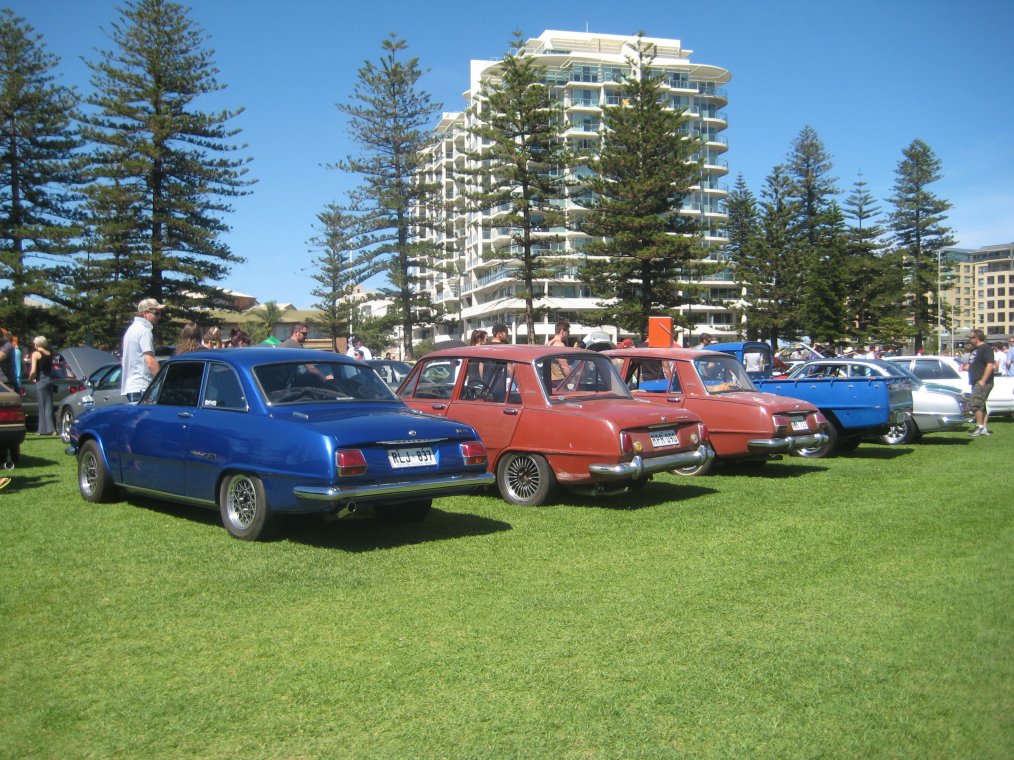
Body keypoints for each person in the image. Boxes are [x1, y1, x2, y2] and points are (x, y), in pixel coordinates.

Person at [121, 298, 165, 402]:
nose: (159, 317)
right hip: (142, 387)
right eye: (157, 313)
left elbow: (123, 361)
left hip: (131, 387)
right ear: (145, 313)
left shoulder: (131, 330)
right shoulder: (144, 331)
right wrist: (163, 381)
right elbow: (150, 361)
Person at [966, 329, 995, 437]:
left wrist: (983, 380)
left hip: (982, 381)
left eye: (971, 338)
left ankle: (979, 427)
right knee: (981, 405)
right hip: (975, 381)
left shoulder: (985, 348)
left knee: (975, 403)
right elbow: (976, 364)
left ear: (976, 338)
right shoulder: (976, 349)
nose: (969, 340)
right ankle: (983, 427)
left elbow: (990, 365)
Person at [28, 336, 56, 435]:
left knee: (42, 405)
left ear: (36, 344)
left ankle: (44, 430)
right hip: (49, 379)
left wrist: (31, 379)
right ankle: (50, 429)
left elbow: (33, 370)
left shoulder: (36, 354)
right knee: (48, 405)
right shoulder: (49, 353)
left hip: (41, 380)